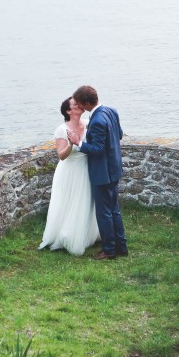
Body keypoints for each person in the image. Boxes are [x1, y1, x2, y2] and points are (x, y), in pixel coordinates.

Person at [66, 85, 127, 260]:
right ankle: (121, 246)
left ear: (86, 103)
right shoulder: (111, 111)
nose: (79, 106)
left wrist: (79, 143)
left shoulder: (98, 120)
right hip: (114, 167)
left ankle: (109, 250)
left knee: (104, 212)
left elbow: (98, 149)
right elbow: (119, 135)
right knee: (114, 209)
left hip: (103, 172)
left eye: (79, 103)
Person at [38, 97, 100, 255]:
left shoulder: (87, 123)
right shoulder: (61, 129)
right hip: (69, 170)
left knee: (85, 201)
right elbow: (61, 156)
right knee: (68, 201)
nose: (79, 105)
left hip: (86, 168)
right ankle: (65, 235)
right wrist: (72, 143)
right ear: (68, 111)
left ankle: (84, 234)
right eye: (75, 104)